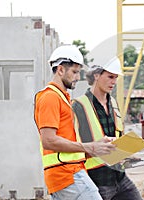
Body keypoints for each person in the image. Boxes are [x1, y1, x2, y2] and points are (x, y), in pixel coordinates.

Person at [34, 45, 116, 200]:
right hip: (67, 173)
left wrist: (98, 145)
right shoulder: (50, 97)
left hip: (68, 173)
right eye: (75, 72)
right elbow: (48, 140)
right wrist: (90, 146)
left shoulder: (63, 98)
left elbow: (67, 140)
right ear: (60, 70)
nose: (78, 77)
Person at [72, 59, 143, 200]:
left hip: (120, 177)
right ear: (96, 75)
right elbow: (73, 146)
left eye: (116, 77)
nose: (114, 81)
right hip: (98, 180)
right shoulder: (78, 106)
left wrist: (127, 152)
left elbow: (118, 137)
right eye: (110, 76)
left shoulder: (114, 103)